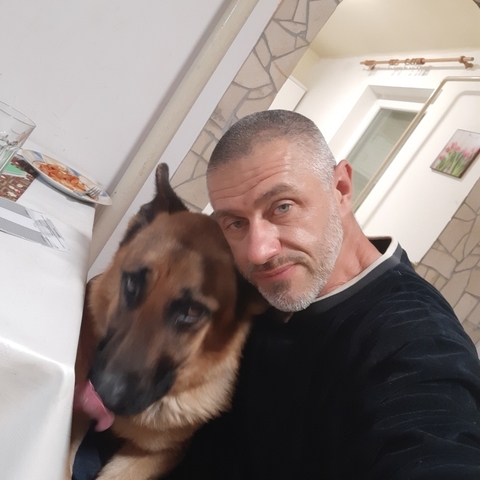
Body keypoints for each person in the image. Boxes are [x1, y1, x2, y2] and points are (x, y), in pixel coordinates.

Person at [74, 110, 480, 479]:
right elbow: (117, 285)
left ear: (340, 188)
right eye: (235, 222)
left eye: (282, 207)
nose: (258, 251)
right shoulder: (250, 270)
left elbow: (433, 441)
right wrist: (80, 367)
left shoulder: (414, 337)